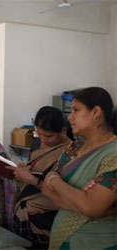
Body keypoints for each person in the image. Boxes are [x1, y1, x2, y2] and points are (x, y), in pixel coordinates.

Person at [41, 87, 117, 249]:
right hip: (62, 235)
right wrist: (83, 201)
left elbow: (91, 206)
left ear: (96, 112)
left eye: (76, 110)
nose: (70, 117)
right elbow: (46, 191)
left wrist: (54, 180)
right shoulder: (73, 148)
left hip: (95, 242)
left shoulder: (114, 154)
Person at [9, 106, 73, 249]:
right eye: (40, 134)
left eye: (48, 136)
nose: (43, 140)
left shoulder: (71, 153)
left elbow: (63, 192)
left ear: (63, 131)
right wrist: (23, 172)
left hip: (45, 220)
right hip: (24, 215)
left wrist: (31, 179)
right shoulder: (38, 145)